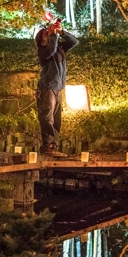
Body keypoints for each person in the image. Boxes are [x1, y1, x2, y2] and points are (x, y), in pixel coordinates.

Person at [34, 18, 78, 157]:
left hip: (58, 88)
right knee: (47, 118)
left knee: (57, 120)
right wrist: (53, 34)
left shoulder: (59, 48)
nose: (50, 34)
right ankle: (47, 145)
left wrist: (61, 31)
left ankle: (54, 146)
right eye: (46, 34)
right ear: (42, 41)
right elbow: (51, 49)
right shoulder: (43, 52)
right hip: (47, 88)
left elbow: (74, 42)